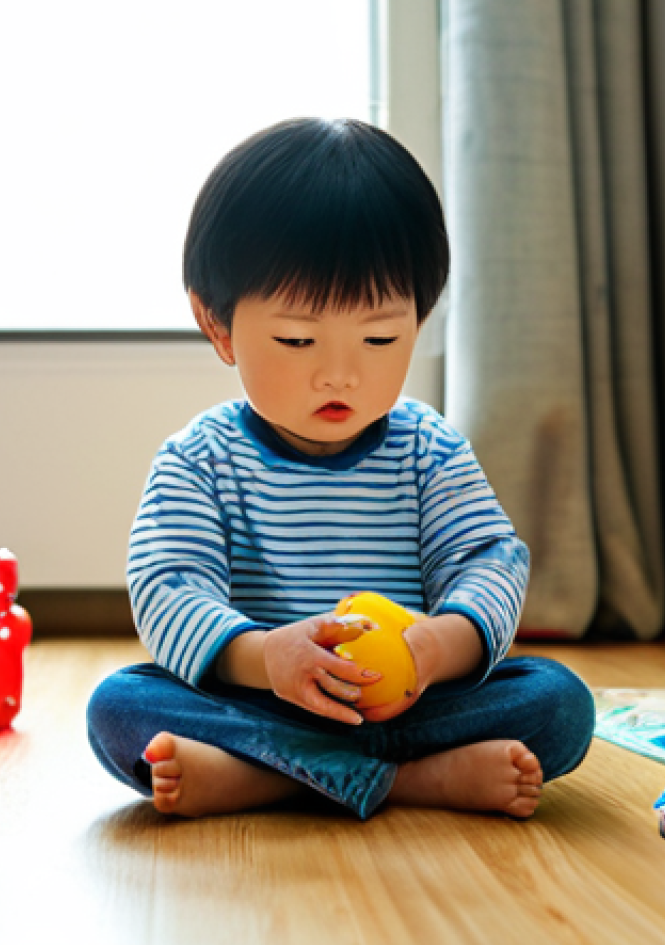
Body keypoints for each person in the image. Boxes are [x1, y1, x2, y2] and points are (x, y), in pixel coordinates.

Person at [87, 118, 595, 821]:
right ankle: (411, 780)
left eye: (379, 337)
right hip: (263, 702)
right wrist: (266, 657)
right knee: (120, 708)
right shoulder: (200, 460)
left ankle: (271, 779)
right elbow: (169, 587)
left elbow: (487, 563)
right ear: (218, 325)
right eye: (298, 339)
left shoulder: (430, 451)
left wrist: (435, 649)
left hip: (407, 707)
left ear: (420, 318)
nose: (340, 374)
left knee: (559, 703)